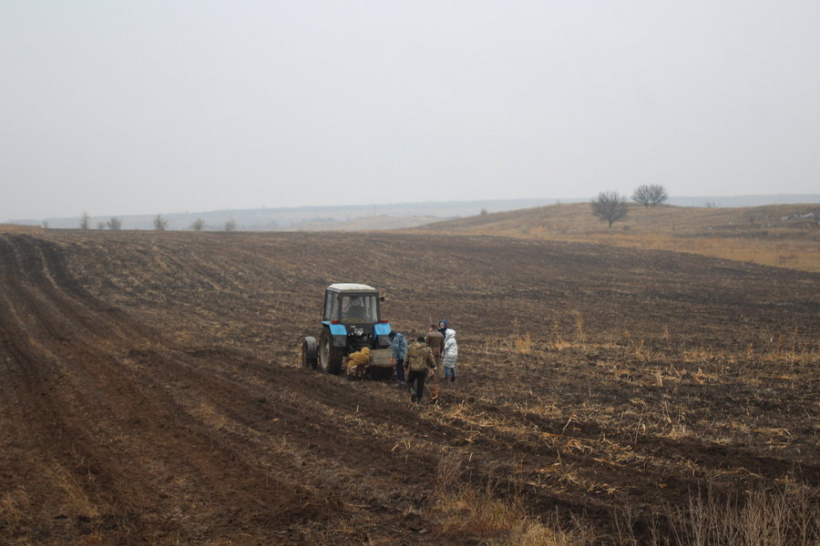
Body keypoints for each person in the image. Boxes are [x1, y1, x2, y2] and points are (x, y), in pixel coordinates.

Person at [404, 336, 435, 404]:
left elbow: (406, 357)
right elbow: (431, 359)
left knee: (410, 381)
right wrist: (433, 366)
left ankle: (412, 391)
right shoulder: (427, 348)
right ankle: (418, 399)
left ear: (417, 341)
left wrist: (405, 365)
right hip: (423, 370)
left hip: (413, 369)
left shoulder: (410, 347)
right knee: (420, 384)